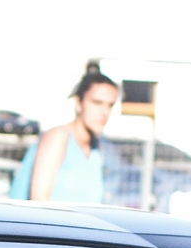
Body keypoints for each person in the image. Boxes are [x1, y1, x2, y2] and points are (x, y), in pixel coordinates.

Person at [11, 68, 119, 204]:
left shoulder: (96, 149)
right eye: (97, 103)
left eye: (110, 105)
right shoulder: (58, 137)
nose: (104, 112)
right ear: (79, 103)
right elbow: (39, 200)